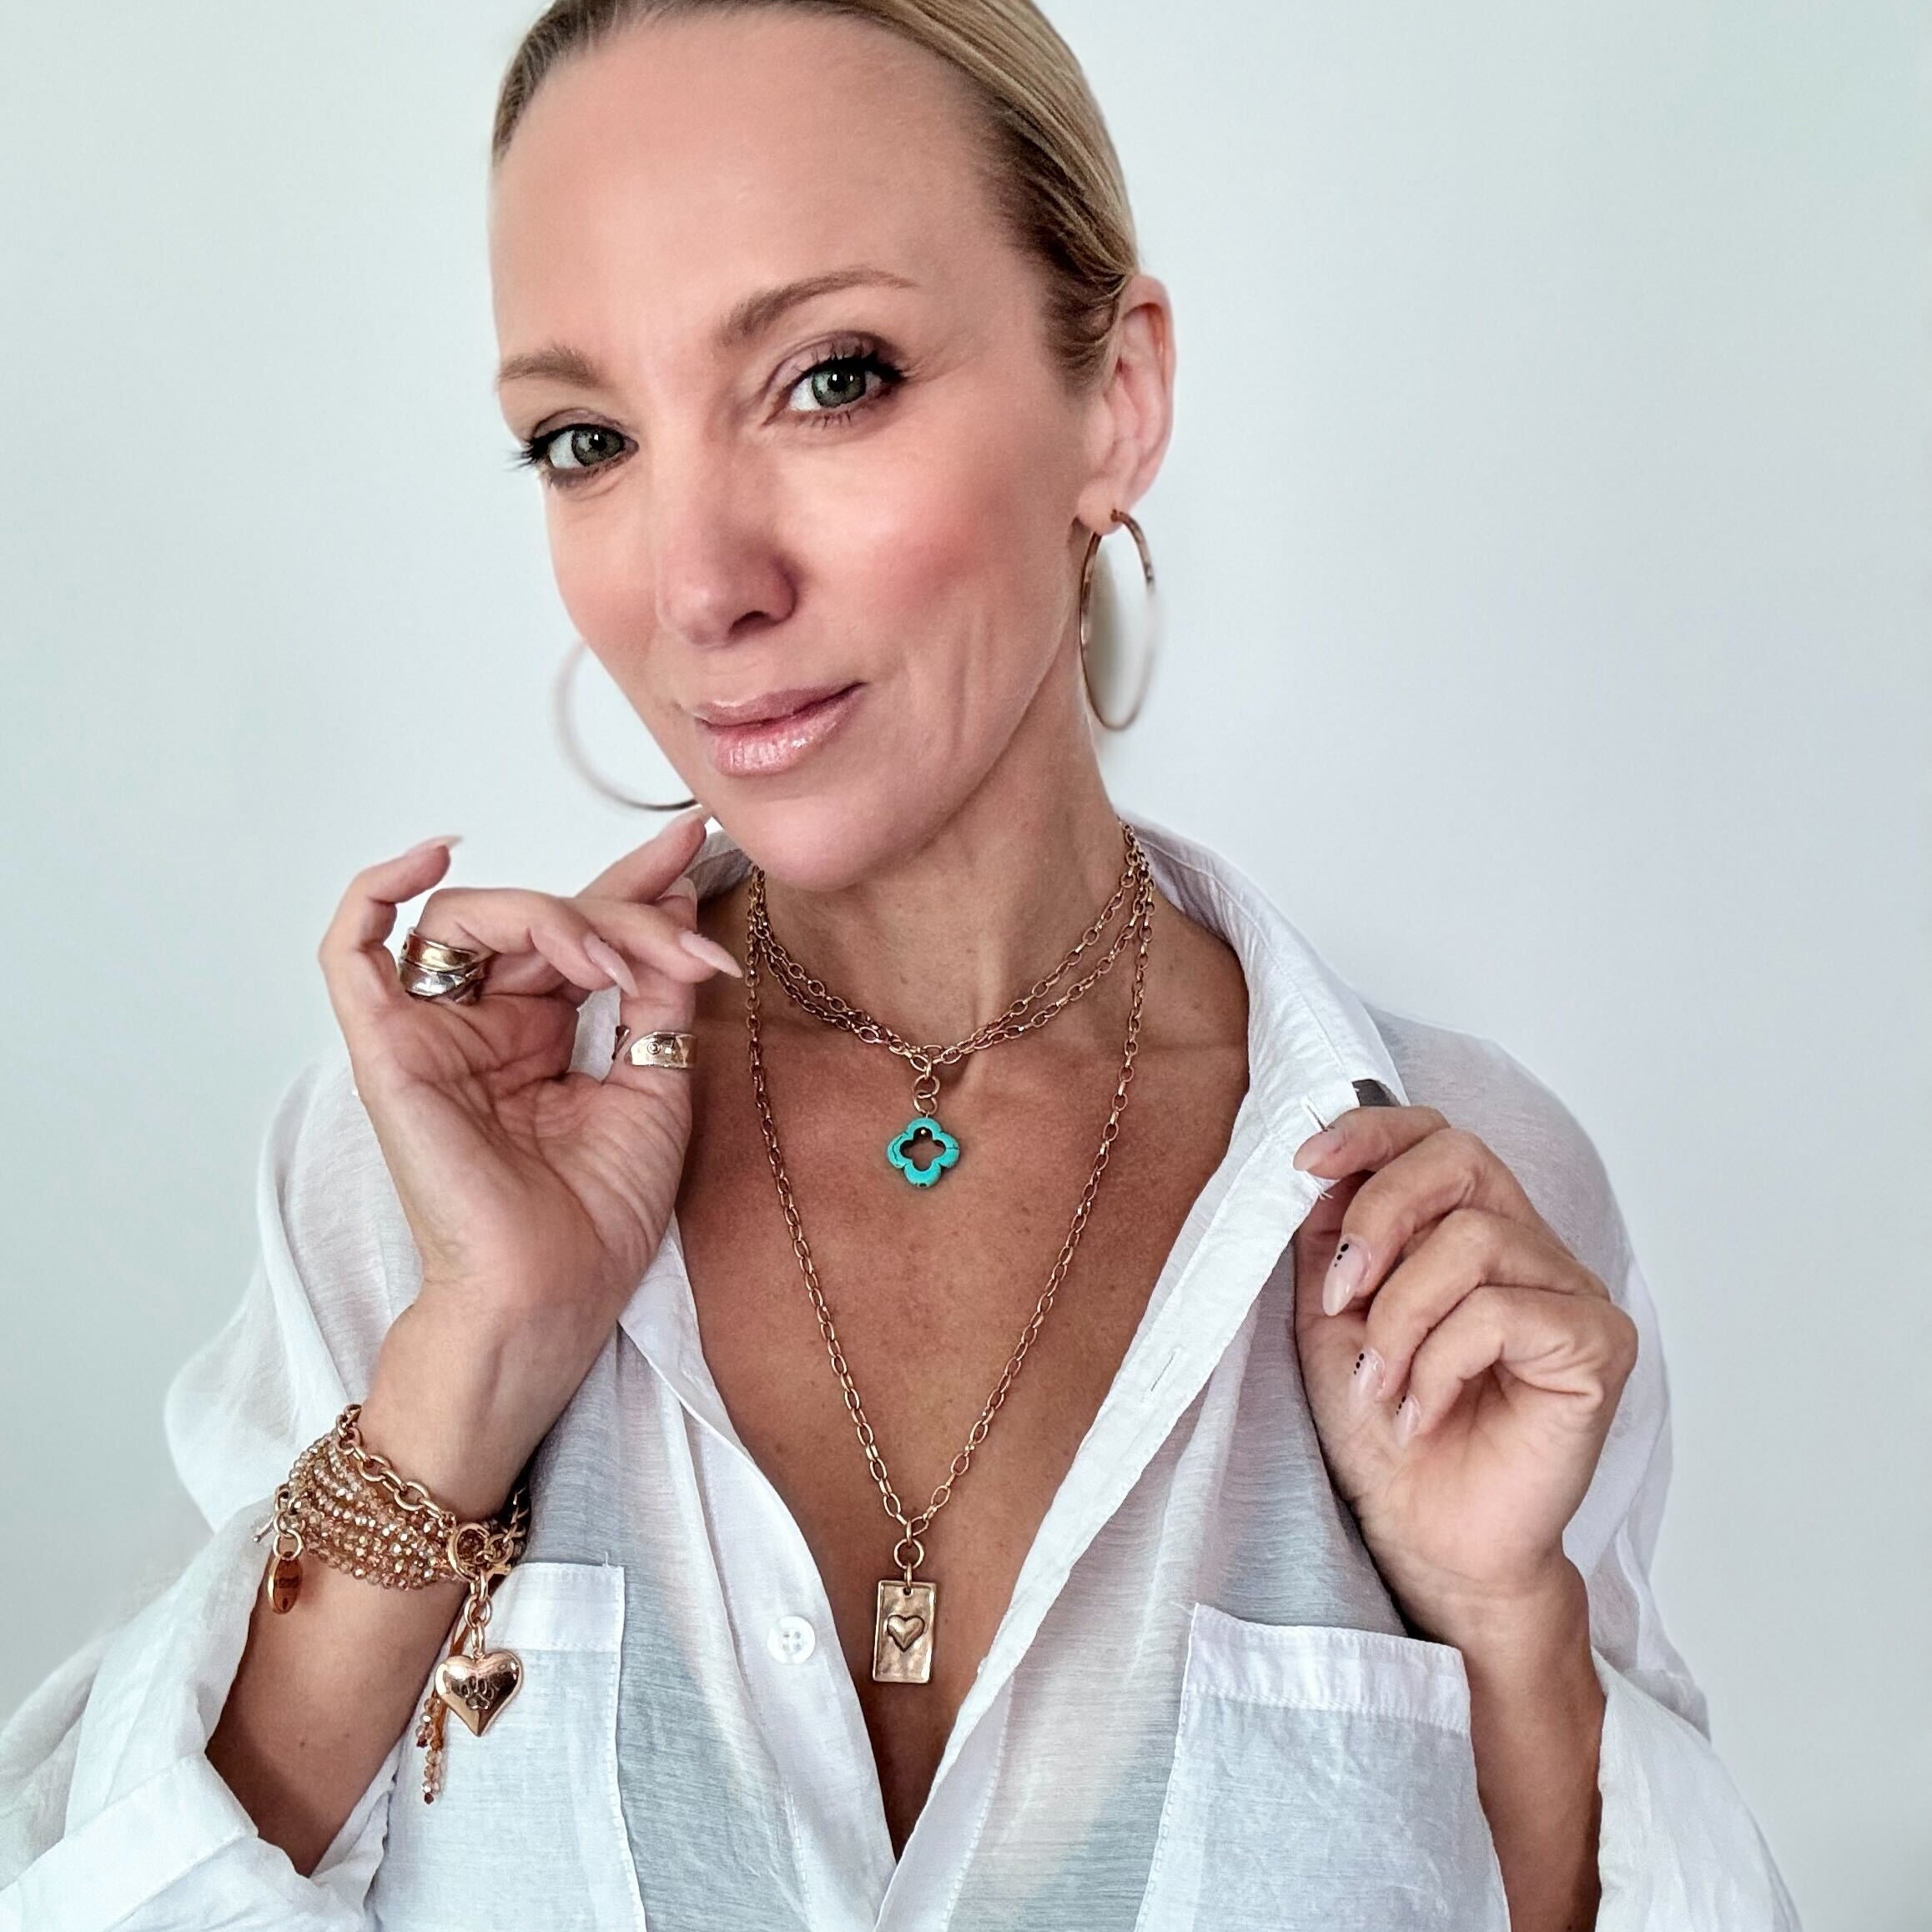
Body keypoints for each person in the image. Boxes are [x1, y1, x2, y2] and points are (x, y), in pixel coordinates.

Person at [0, 3, 1800, 1927]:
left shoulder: (1451, 1197)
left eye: (831, 380)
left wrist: (1506, 1627)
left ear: (1115, 400)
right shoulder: (417, 1183)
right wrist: (464, 1382)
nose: (700, 585)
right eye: (587, 440)